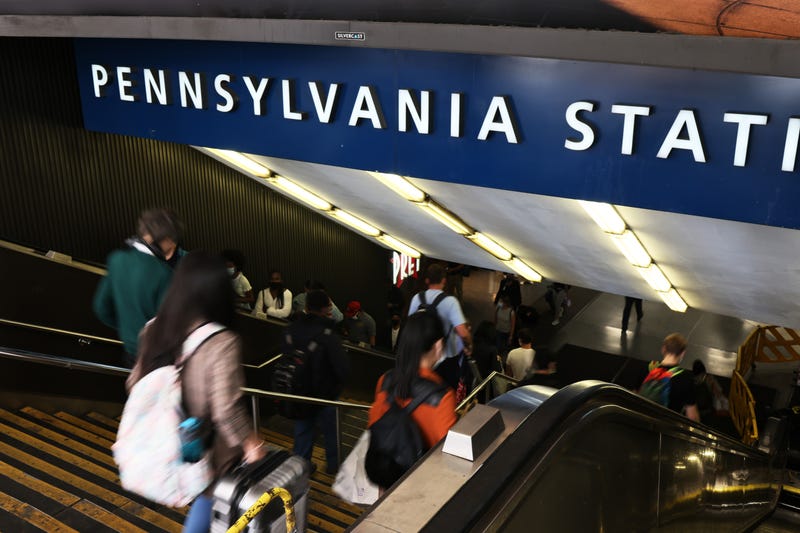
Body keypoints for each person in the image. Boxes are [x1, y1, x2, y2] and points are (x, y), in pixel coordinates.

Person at [125, 251, 266, 533]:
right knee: (209, 498)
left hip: (163, 442)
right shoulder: (221, 341)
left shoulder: (153, 328)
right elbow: (226, 409)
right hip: (204, 448)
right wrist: (252, 445)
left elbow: (134, 382)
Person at [367, 311, 457, 486]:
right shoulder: (442, 397)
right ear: (438, 345)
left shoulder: (385, 380)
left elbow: (375, 426)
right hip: (419, 485)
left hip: (386, 479)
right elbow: (446, 455)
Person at [93, 207, 183, 367]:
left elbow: (101, 308)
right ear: (166, 239)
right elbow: (169, 324)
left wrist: (129, 328)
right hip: (157, 360)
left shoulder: (116, 259)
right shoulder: (164, 273)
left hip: (130, 355)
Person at [285, 290, 350, 474]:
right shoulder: (328, 333)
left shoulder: (292, 329)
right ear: (326, 309)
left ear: (306, 307)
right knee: (331, 433)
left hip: (299, 392)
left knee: (303, 432)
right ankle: (334, 468)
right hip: (325, 395)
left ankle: (301, 467)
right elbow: (342, 368)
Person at [407, 263, 473, 391]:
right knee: (445, 392)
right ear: (444, 280)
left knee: (419, 388)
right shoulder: (450, 302)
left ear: (427, 280)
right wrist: (469, 346)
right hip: (446, 358)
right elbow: (463, 333)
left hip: (420, 355)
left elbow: (410, 324)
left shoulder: (417, 298)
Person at [641, 333, 700, 422]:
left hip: (643, 423)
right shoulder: (686, 377)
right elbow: (692, 416)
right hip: (667, 427)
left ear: (663, 349)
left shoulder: (649, 370)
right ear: (683, 353)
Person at [692, 359, 729, 423]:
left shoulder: (690, 381)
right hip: (707, 411)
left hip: (698, 409)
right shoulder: (708, 379)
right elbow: (718, 392)